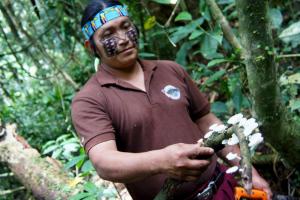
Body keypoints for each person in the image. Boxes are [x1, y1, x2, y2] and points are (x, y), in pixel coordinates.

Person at [71, 0, 272, 199]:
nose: (123, 39)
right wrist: (163, 161)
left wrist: (248, 171)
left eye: (126, 27)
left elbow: (207, 122)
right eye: (108, 35)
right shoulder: (89, 100)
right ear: (91, 47)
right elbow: (105, 162)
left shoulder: (170, 69)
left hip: (223, 188)